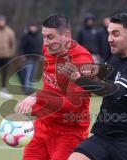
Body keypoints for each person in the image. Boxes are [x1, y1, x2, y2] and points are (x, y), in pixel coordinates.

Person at [65, 13, 127, 160]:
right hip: (103, 135)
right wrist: (92, 71)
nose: (109, 39)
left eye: (115, 34)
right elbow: (104, 73)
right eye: (109, 33)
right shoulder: (116, 57)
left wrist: (80, 80)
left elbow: (115, 90)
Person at [15, 14, 94, 160]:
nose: (45, 42)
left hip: (69, 133)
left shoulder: (81, 61)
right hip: (42, 126)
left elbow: (72, 105)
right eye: (43, 36)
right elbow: (50, 86)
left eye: (50, 37)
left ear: (67, 35)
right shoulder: (49, 49)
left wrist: (37, 96)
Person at [18, 21, 43, 94]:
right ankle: (27, 90)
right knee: (28, 74)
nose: (33, 28)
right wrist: (22, 55)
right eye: (32, 26)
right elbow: (21, 47)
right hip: (28, 58)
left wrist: (41, 55)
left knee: (33, 74)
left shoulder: (38, 37)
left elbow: (40, 47)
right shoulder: (26, 36)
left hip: (36, 59)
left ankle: (31, 89)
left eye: (34, 27)